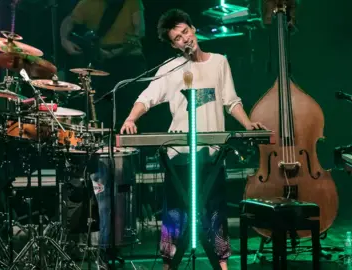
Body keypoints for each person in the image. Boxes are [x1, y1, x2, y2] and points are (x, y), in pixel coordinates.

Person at [119, 9, 266, 270]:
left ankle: (222, 265)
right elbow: (145, 97)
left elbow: (231, 101)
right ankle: (168, 265)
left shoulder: (219, 62)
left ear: (193, 29)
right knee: (175, 214)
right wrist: (131, 119)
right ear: (173, 44)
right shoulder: (169, 69)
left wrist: (247, 124)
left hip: (211, 153)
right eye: (177, 38)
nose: (184, 39)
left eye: (185, 32)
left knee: (215, 210)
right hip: (179, 155)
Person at [59, 0, 147, 126]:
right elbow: (69, 20)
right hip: (103, 60)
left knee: (131, 105)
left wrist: (117, 52)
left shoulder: (132, 2)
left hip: (129, 60)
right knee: (101, 105)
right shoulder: (88, 3)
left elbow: (139, 33)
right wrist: (64, 40)